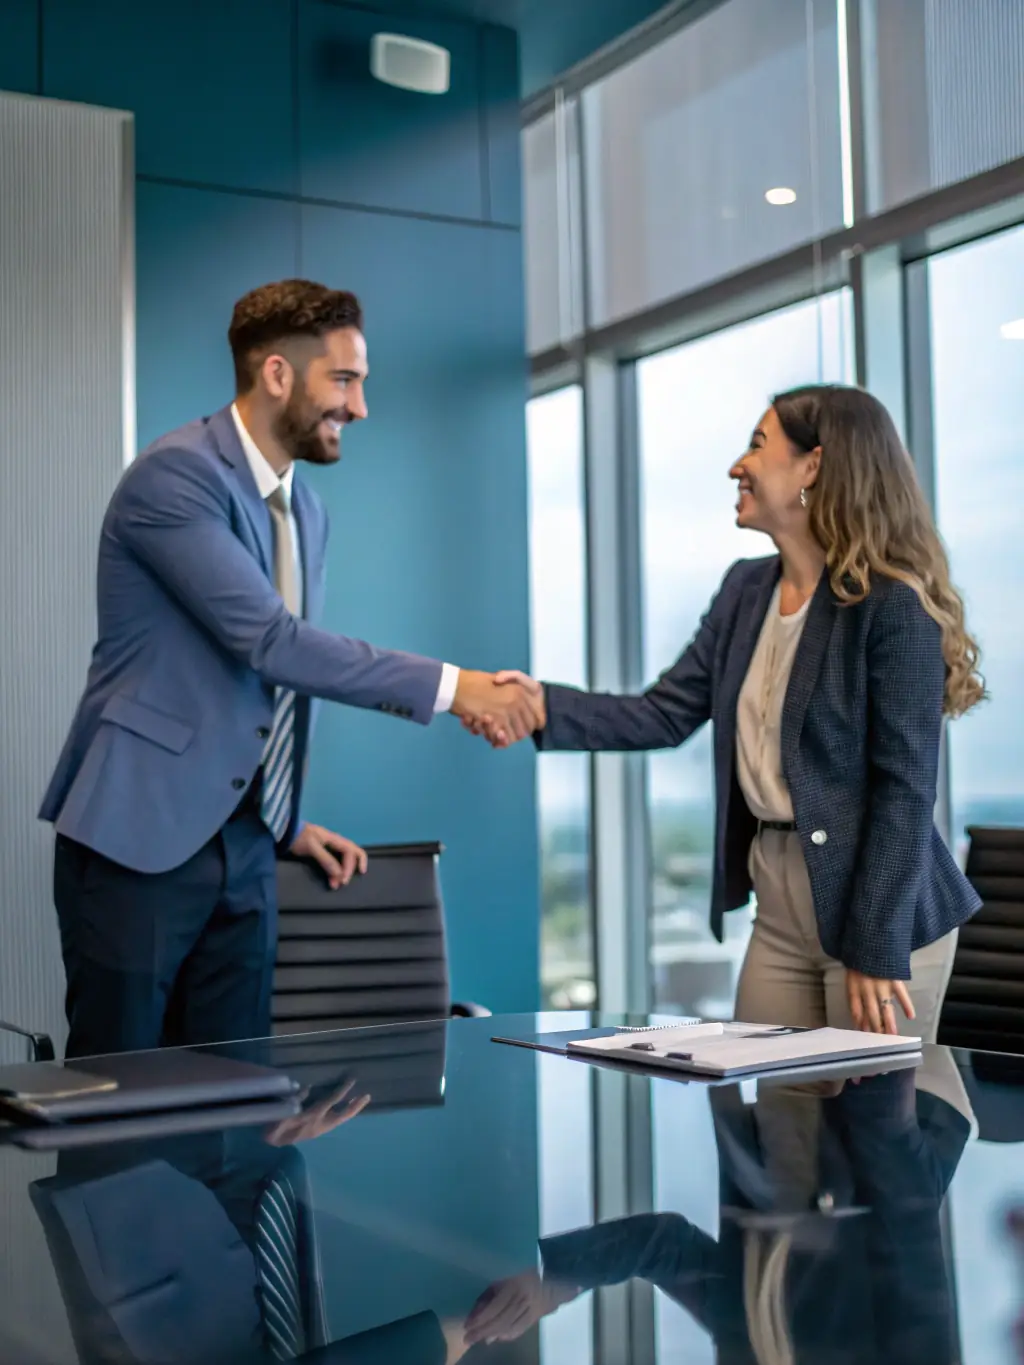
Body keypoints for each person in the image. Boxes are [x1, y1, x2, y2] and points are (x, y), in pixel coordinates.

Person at [41, 278, 537, 1059]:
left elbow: (259, 688)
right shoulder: (174, 479)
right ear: (277, 373)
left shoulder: (305, 509)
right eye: (344, 380)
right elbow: (272, 643)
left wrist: (284, 821)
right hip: (137, 841)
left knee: (237, 1100)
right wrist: (456, 687)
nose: (361, 406)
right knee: (124, 1103)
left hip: (247, 844)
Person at [475, 384, 984, 1038]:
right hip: (777, 908)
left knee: (868, 1130)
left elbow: (905, 790)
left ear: (814, 467)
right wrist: (540, 704)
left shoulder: (892, 606)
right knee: (780, 1128)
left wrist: (876, 944)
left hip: (877, 906)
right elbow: (663, 712)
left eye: (757, 445)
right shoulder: (746, 590)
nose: (736, 465)